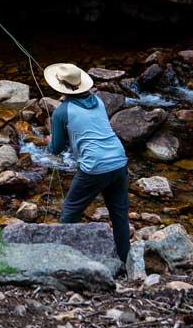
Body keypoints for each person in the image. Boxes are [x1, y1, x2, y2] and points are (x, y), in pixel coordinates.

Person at [43, 63, 130, 269]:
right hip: (119, 160)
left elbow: (56, 149)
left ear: (60, 87)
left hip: (94, 167)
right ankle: (126, 263)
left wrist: (49, 140)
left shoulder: (61, 112)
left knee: (70, 212)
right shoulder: (97, 101)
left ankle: (62, 262)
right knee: (119, 214)